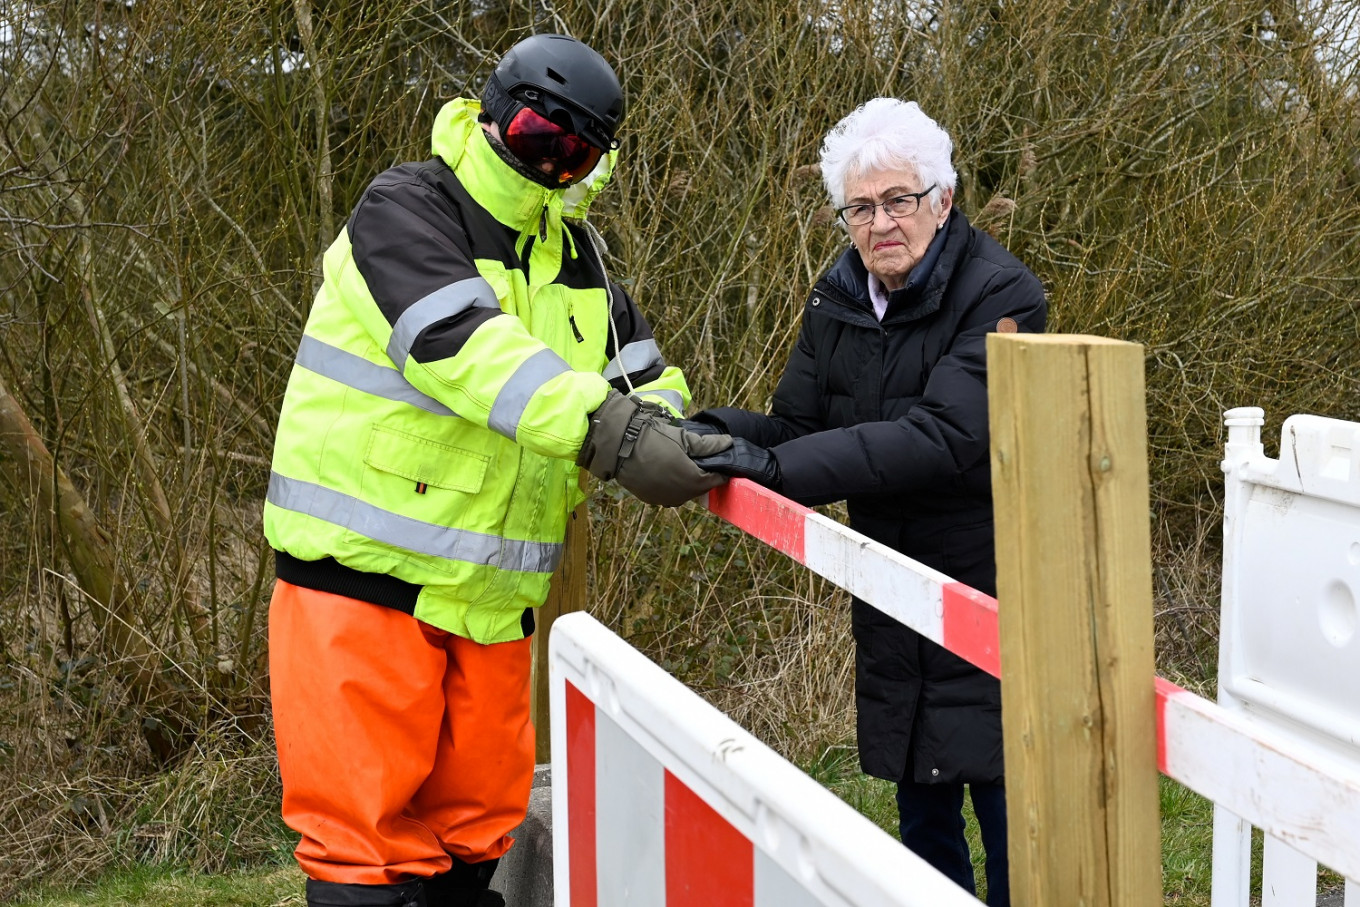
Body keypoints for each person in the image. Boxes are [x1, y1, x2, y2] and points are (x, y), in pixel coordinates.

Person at [262, 34, 729, 907]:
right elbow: (468, 348)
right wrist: (611, 432)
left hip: (491, 602)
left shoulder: (579, 260)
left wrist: (678, 430)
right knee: (366, 851)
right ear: (488, 116)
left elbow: (647, 378)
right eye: (534, 136)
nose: (552, 165)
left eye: (576, 152)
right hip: (365, 583)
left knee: (475, 836)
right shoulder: (406, 209)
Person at [688, 98, 1046, 906]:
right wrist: (706, 435)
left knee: (1010, 814)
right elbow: (796, 426)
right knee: (921, 808)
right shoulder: (838, 298)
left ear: (944, 201)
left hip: (992, 590)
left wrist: (771, 467)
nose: (880, 222)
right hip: (892, 590)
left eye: (899, 201)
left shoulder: (1001, 294)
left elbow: (941, 436)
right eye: (860, 206)